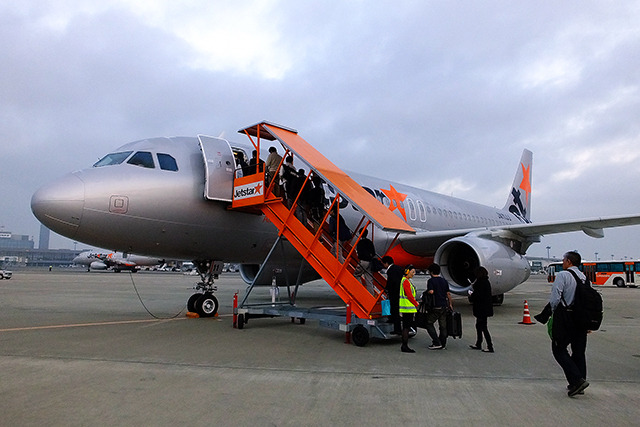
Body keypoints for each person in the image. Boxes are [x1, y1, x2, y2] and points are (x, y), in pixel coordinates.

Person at [547, 251, 590, 397]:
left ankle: (577, 380)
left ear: (569, 262)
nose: (563, 262)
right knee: (578, 351)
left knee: (558, 349)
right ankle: (579, 383)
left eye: (564, 260)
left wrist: (554, 313)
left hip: (566, 318)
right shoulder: (584, 277)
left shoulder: (563, 275)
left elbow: (555, 298)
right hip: (581, 319)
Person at [425, 263, 453, 350]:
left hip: (436, 305)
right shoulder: (444, 281)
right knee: (443, 326)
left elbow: (431, 291)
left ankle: (436, 342)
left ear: (431, 272)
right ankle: (443, 343)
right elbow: (448, 294)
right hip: (444, 305)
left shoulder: (431, 281)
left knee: (429, 323)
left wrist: (426, 292)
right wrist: (450, 304)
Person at [468, 266, 494, 352]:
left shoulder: (480, 283)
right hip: (485, 308)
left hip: (481, 308)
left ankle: (489, 346)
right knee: (479, 326)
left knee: (483, 327)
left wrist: (471, 294)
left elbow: (478, 296)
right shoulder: (486, 282)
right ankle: (479, 343)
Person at [399, 265, 419, 353]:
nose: (414, 274)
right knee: (406, 327)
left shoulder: (405, 280)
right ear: (407, 271)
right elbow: (409, 295)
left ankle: (404, 345)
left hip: (406, 308)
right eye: (412, 272)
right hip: (407, 308)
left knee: (406, 327)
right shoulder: (406, 281)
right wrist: (416, 303)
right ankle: (404, 345)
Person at [381, 255, 402, 335]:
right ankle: (392, 319)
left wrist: (386, 289)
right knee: (395, 309)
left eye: (383, 264)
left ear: (386, 263)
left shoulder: (390, 270)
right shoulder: (399, 268)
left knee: (394, 310)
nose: (383, 266)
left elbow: (390, 282)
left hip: (394, 292)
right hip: (399, 292)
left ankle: (397, 329)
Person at [355, 228, 376, 294]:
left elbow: (359, 253)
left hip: (363, 261)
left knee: (356, 275)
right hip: (370, 262)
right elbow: (373, 253)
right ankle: (371, 294)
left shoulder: (360, 243)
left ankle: (361, 291)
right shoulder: (369, 242)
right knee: (369, 279)